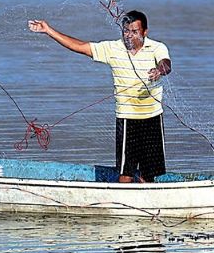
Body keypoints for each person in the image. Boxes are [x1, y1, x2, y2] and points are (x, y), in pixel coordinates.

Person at [28, 10, 171, 183]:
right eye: (126, 31)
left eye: (134, 31)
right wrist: (49, 30)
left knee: (149, 174)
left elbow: (166, 64)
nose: (129, 35)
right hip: (127, 118)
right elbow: (80, 46)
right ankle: (121, 199)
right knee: (126, 173)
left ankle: (147, 197)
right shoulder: (112, 48)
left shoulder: (157, 47)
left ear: (144, 32)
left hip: (153, 117)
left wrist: (159, 71)